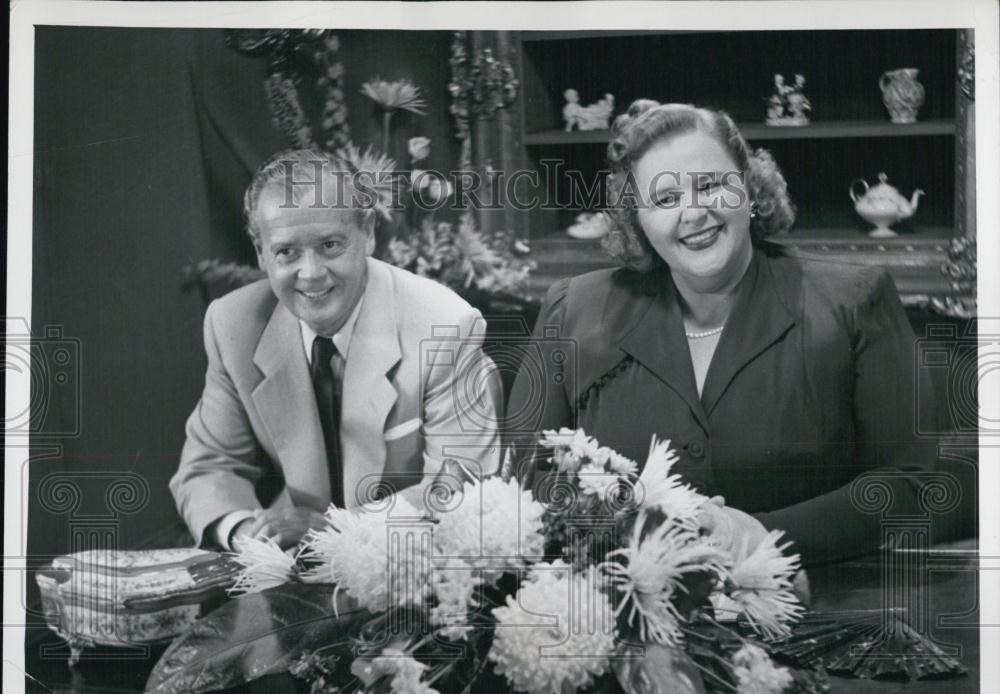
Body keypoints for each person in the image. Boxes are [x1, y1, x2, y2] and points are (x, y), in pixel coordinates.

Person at [505, 101, 936, 565]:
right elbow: (524, 483)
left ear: (750, 189)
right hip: (618, 613)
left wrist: (765, 534)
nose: (693, 213)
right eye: (665, 199)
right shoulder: (572, 310)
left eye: (710, 185)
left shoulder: (853, 300)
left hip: (816, 612)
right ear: (638, 220)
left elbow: (915, 485)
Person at [172, 149, 503, 551]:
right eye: (286, 252)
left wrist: (331, 531)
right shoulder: (232, 324)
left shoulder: (445, 325)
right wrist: (247, 532)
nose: (310, 274)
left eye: (330, 245)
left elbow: (458, 490)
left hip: (411, 558)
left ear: (368, 235)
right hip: (289, 560)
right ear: (261, 254)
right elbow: (208, 466)